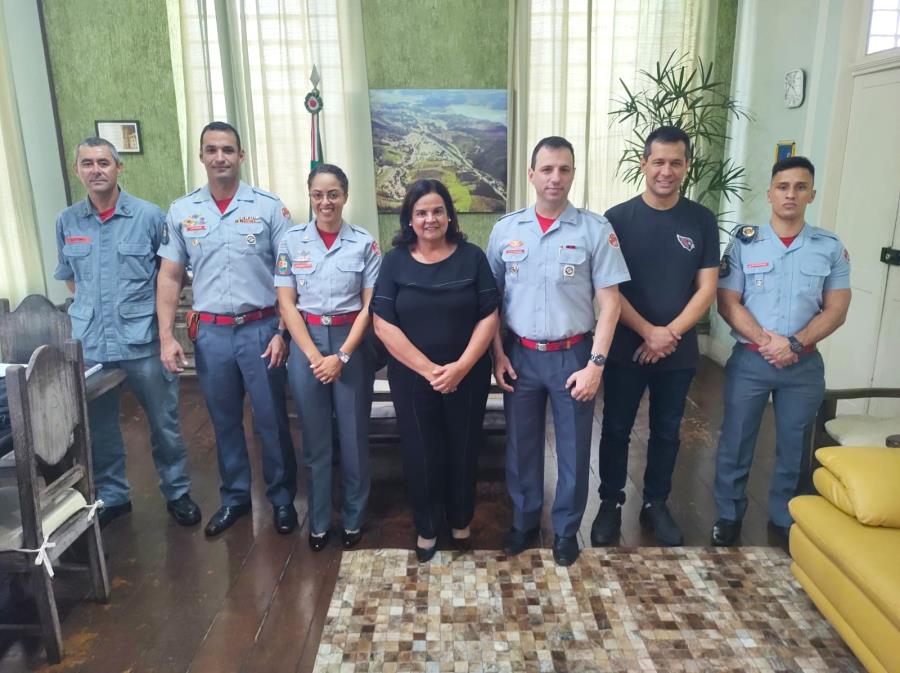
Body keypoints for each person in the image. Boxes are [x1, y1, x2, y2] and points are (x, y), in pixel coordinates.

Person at [487, 137, 629, 566]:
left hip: (574, 356)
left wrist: (596, 365)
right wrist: (498, 356)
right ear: (531, 174)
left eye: (564, 169)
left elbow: (610, 304)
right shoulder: (506, 230)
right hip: (520, 355)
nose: (555, 178)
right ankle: (525, 521)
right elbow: (490, 302)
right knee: (521, 446)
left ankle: (566, 530)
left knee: (573, 448)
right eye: (547, 169)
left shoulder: (595, 230)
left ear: (573, 174)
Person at [157, 121, 297, 537]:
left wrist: (283, 333)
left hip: (262, 329)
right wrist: (166, 335)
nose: (220, 157)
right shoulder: (183, 211)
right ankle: (235, 497)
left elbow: (290, 277)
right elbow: (170, 276)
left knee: (271, 419)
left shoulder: (269, 208)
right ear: (201, 156)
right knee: (224, 421)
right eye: (212, 149)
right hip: (212, 334)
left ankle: (282, 499)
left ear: (241, 156)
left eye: (228, 149)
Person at [53, 137, 200, 528]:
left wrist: (165, 334)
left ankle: (177, 492)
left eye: (104, 162)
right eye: (87, 163)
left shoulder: (149, 217)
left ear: (119, 168)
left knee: (164, 423)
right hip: (92, 344)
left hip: (143, 340)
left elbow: (170, 277)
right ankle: (114, 496)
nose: (96, 170)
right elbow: (71, 280)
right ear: (77, 171)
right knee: (99, 427)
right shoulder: (67, 221)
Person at [589, 126, 719, 547]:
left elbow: (706, 289)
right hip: (626, 346)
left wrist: (668, 335)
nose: (666, 171)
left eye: (675, 163)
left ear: (687, 166)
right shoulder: (616, 219)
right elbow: (609, 290)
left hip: (677, 351)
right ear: (643, 164)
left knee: (667, 430)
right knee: (616, 427)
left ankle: (655, 503)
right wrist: (647, 331)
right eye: (658, 162)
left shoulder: (701, 220)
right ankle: (610, 502)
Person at [711, 156, 851, 546]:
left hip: (803, 365)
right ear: (769, 193)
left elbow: (837, 308)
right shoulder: (744, 242)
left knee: (795, 442)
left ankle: (785, 514)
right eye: (783, 187)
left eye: (800, 187)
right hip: (751, 361)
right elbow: (727, 301)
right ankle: (728, 514)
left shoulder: (829, 247)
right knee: (737, 439)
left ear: (812, 195)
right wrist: (766, 341)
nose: (791, 194)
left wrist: (794, 343)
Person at [371, 179, 499, 562]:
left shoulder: (472, 257)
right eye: (421, 212)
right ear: (409, 219)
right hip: (412, 377)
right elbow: (382, 323)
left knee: (464, 447)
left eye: (438, 211)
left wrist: (461, 367)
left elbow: (489, 315)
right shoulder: (394, 262)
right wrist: (429, 370)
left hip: (468, 374)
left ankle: (460, 520)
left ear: (449, 215)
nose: (431, 219)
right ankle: (427, 526)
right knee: (421, 451)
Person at [275, 164, 380, 551]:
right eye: (318, 194)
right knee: (316, 440)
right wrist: (314, 356)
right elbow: (287, 303)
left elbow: (369, 307)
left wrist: (342, 356)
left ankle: (353, 518)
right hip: (308, 342)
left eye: (333, 194)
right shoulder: (292, 242)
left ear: (345, 196)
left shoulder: (364, 243)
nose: (325, 202)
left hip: (351, 341)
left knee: (353, 439)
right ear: (310, 196)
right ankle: (318, 521)